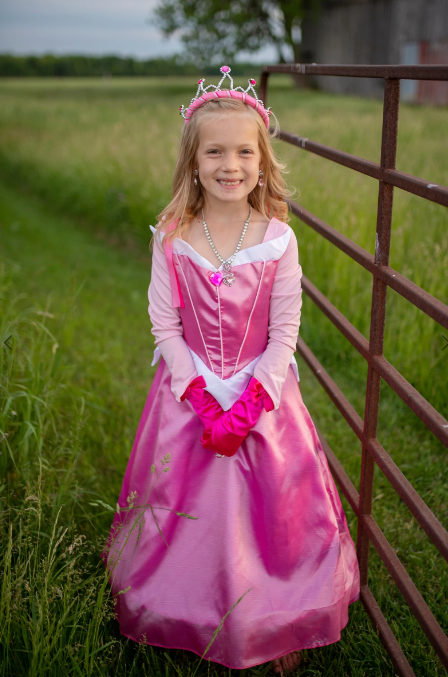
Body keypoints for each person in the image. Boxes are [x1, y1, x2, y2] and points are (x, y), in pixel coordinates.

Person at [103, 66, 360, 674]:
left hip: (262, 396)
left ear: (262, 162)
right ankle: (179, 605)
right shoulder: (173, 237)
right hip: (187, 395)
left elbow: (284, 331)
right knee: (186, 509)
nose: (230, 165)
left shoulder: (278, 239)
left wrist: (248, 403)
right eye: (214, 152)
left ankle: (277, 617)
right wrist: (200, 395)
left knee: (273, 513)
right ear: (193, 163)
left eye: (245, 152)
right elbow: (165, 325)